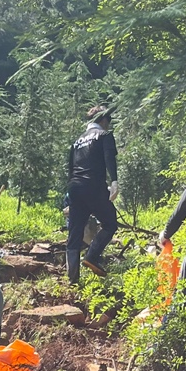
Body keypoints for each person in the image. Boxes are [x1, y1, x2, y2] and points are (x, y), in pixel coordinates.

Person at [64, 106, 119, 281]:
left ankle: (72, 280)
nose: (108, 124)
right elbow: (109, 158)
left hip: (75, 187)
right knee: (110, 223)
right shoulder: (104, 135)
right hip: (93, 186)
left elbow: (71, 169)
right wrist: (114, 181)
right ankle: (91, 256)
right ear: (102, 119)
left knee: (74, 234)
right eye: (108, 120)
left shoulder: (76, 142)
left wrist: (70, 196)